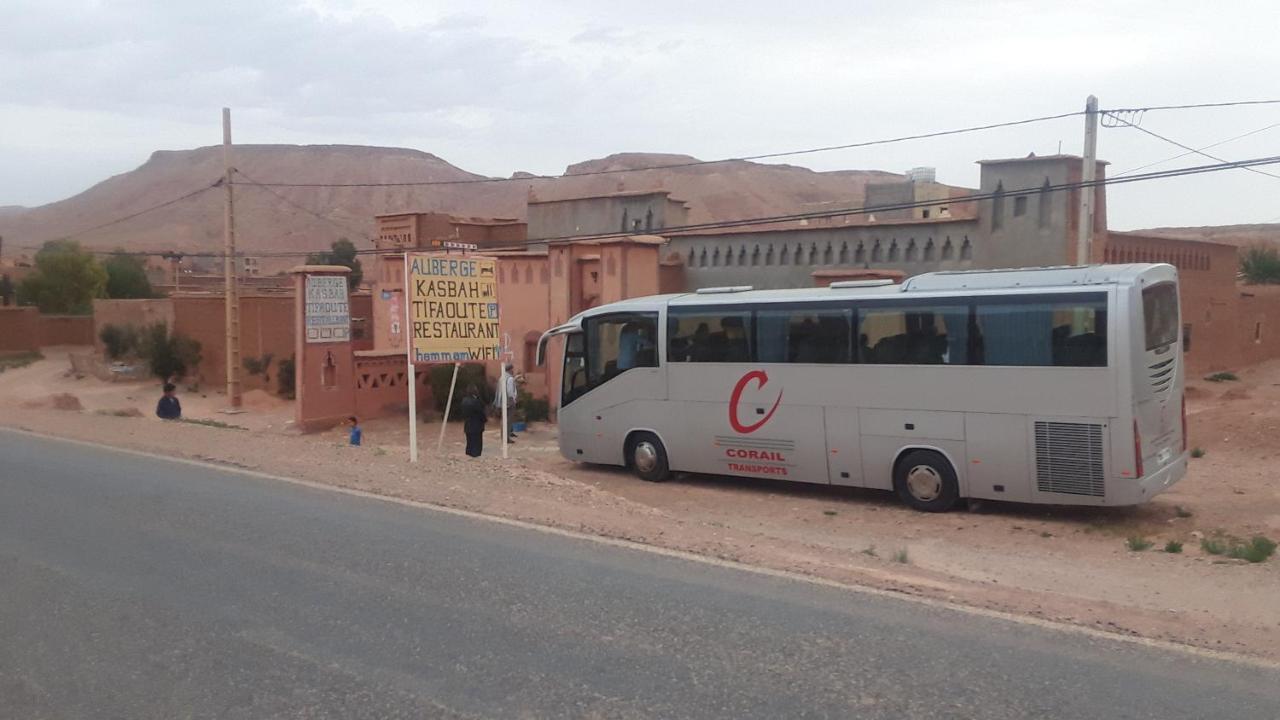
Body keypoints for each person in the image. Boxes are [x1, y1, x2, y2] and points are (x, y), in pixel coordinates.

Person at [493, 363, 519, 441]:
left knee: (504, 419)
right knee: (508, 419)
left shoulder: (501, 377)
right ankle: (506, 437)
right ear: (510, 369)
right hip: (508, 401)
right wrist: (514, 399)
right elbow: (510, 391)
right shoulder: (510, 378)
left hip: (502, 401)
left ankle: (504, 436)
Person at [460, 384, 487, 458]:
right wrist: (485, 420)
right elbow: (481, 413)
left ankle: (469, 454)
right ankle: (475, 455)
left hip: (468, 425)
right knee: (477, 443)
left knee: (469, 442)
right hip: (476, 425)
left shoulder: (464, 400)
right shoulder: (476, 402)